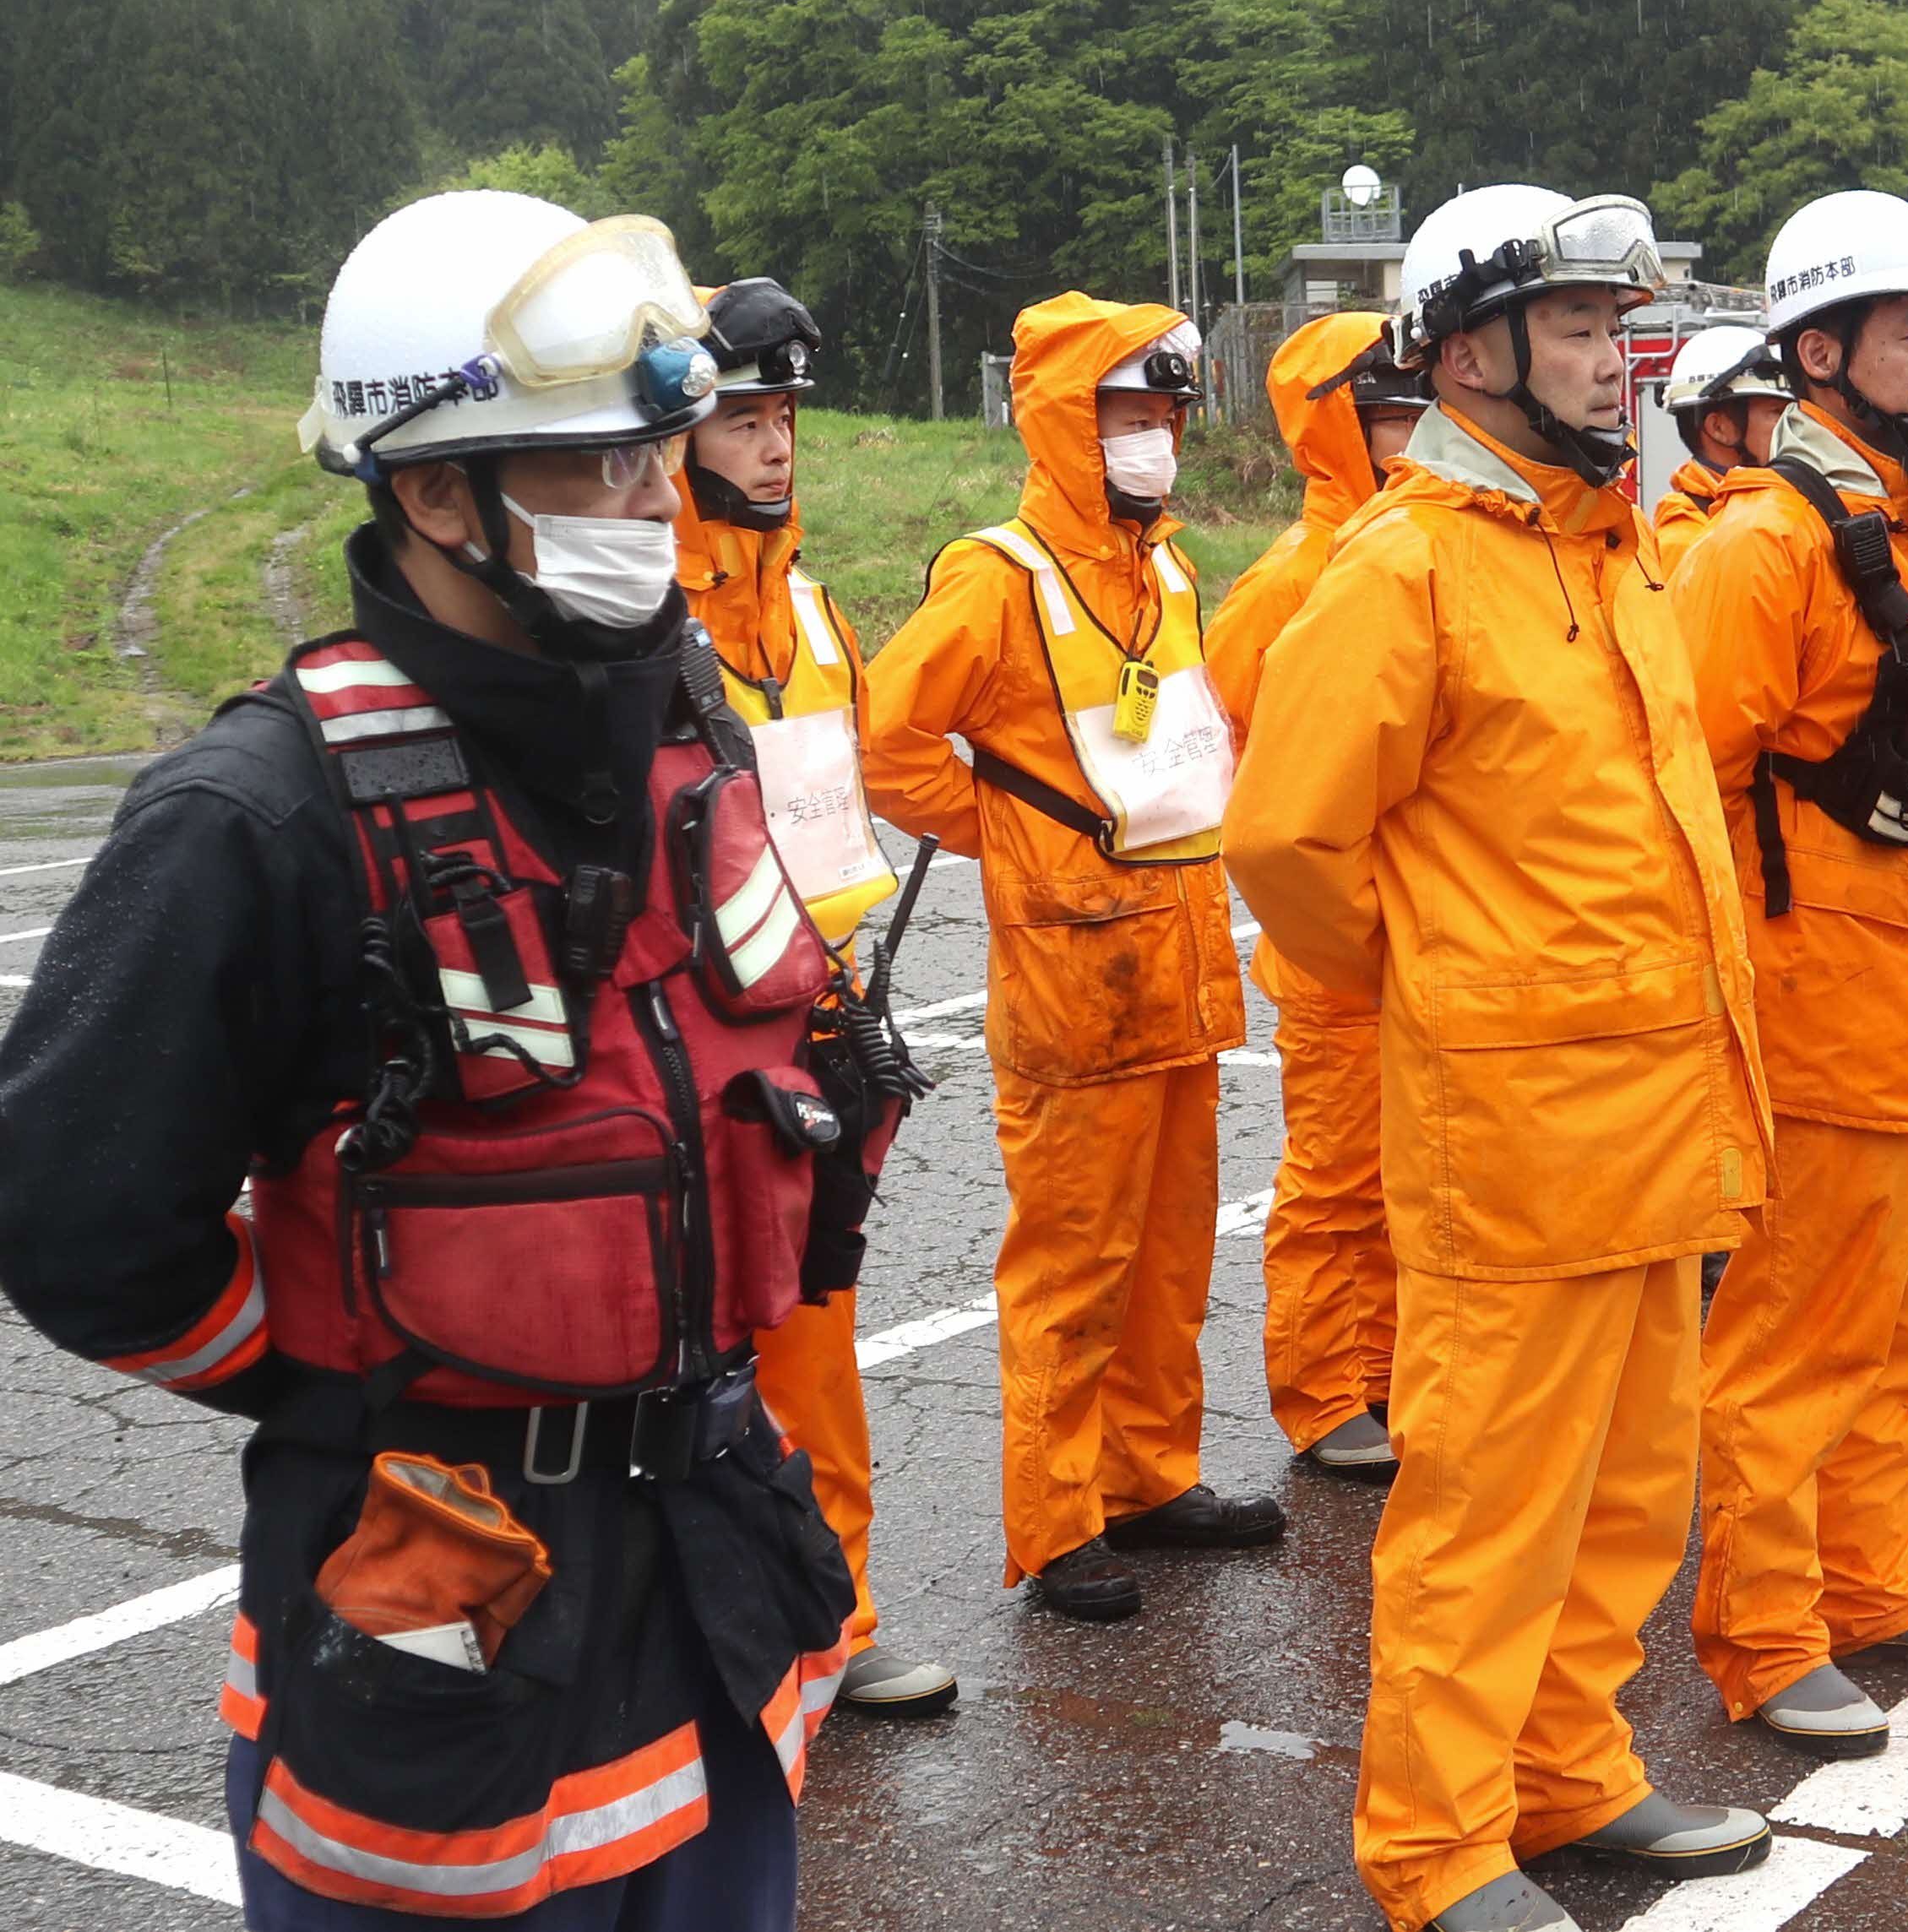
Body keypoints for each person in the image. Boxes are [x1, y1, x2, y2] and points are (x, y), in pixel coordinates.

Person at [0, 191, 869, 1926]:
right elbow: (71, 1218)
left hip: (713, 1595)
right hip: (439, 1625)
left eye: (657, 456)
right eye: (600, 465)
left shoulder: (686, 725)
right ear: (433, 492)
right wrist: (342, 1373)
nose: (659, 504)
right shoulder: (257, 813)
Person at [1226, 184, 1776, 1932]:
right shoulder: (1403, 570)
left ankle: (1570, 1770)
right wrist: (1444, 985)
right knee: (1489, 1502)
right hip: (1520, 1125)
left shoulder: (1607, 546)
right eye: (1580, 328)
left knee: (1627, 1483)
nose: (1619, 361)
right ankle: (1439, 1840)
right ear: (1468, 354)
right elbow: (1286, 840)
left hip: (1651, 1109)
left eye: (1621, 328)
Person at [1672, 188, 1908, 1761]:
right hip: (1823, 1004)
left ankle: (1877, 1579)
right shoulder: (1765, 546)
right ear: (1818, 354)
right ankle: (1765, 1633)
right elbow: (1685, 787)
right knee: (1795, 1339)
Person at [863, 294, 1284, 1624]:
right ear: (1060, 422)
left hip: (1177, 965)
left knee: (1167, 1254)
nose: (1151, 435)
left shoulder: (1168, 572)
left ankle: (1149, 1475)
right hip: (1071, 977)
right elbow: (886, 741)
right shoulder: (997, 579)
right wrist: (1012, 840)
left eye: (1164, 412)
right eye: (1125, 413)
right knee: (1072, 1263)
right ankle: (1057, 1521)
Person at [672, 274, 956, 1716]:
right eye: (741, 419)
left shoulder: (819, 613)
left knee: (815, 1337)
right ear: (674, 437)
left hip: (817, 1024)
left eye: (785, 416)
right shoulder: (641, 621)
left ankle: (828, 1622)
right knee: (690, 1351)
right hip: (686, 1039)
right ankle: (702, 1646)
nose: (775, 444)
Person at [1204, 308, 1429, 1483]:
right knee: (1336, 1176)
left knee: (1409, 1173)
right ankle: (1324, 1387)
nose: (1411, 435)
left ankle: (1384, 1370)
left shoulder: (1418, 547)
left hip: (1420, 923)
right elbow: (1230, 750)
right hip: (1333, 934)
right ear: (1338, 429)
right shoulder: (1292, 579)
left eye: (1416, 411)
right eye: (1387, 417)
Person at [1651, 323, 1791, 575]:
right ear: (1719, 428)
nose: (1794, 425)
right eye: (1777, 413)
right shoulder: (1684, 542)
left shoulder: (1772, 505)